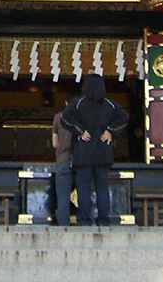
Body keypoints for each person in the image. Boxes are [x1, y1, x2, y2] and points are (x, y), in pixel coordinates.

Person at [60, 74, 128, 226]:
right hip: (103, 152)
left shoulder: (78, 104)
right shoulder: (109, 104)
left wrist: (80, 131)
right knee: (102, 187)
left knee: (83, 188)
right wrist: (110, 130)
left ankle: (84, 219)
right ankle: (104, 219)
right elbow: (124, 117)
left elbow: (65, 117)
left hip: (84, 151)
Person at [51, 92, 79, 226]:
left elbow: (54, 143)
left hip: (62, 160)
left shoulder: (58, 117)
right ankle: (84, 223)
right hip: (81, 161)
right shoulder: (82, 117)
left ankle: (63, 225)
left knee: (62, 197)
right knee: (84, 195)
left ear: (66, 103)